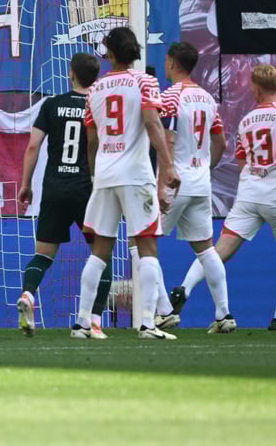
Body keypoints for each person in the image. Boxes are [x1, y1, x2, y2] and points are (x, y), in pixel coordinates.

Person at [172, 65, 276, 332]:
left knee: (217, 251)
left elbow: (242, 160)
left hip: (248, 195)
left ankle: (184, 290)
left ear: (255, 88)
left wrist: (256, 176)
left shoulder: (247, 121)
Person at [74, 27, 181, 340]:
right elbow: (151, 122)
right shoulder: (145, 82)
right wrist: (168, 165)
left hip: (105, 174)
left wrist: (96, 175)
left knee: (99, 251)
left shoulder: (95, 89)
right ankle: (148, 323)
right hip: (134, 174)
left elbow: (91, 140)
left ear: (109, 53)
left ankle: (82, 323)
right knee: (147, 246)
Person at [16, 53, 109, 338]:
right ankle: (93, 319)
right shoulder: (99, 106)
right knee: (101, 255)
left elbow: (33, 146)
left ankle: (29, 296)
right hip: (87, 189)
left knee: (43, 255)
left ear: (71, 74)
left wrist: (25, 184)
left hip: (55, 187)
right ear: (95, 77)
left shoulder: (52, 104)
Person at [151, 43, 235, 334]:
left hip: (176, 180)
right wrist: (204, 169)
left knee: (142, 244)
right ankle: (224, 315)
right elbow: (221, 142)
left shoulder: (171, 95)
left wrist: (163, 182)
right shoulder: (208, 99)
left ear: (172, 63)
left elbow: (169, 140)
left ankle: (163, 311)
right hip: (200, 182)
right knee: (206, 250)